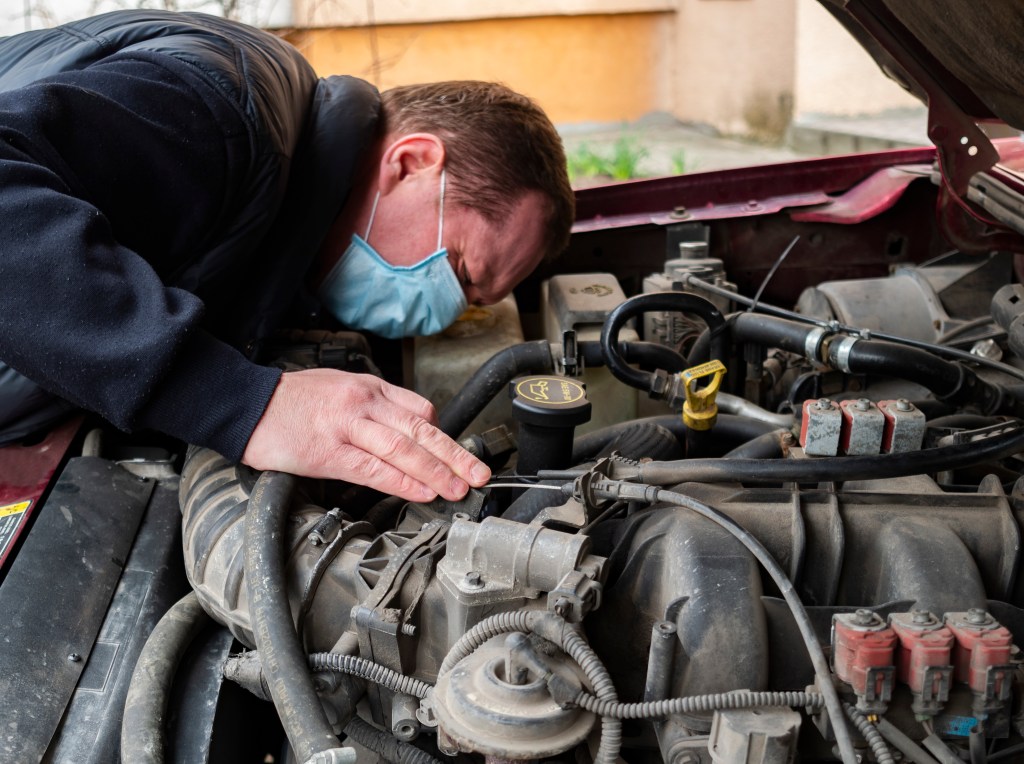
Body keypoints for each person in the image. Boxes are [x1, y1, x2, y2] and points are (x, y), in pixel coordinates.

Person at [0, 10, 574, 503]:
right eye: (462, 273)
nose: (447, 313)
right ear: (412, 162)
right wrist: (242, 401)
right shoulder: (223, 111)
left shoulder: (282, 219)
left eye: (474, 306)